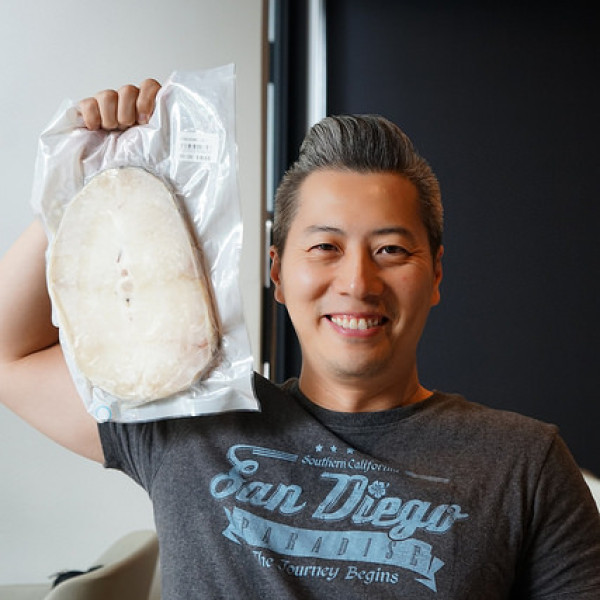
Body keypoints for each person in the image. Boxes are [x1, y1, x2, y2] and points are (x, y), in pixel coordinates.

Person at [1, 81, 599, 600]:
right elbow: (10, 356)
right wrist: (93, 175)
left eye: (390, 249)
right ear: (278, 274)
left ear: (435, 274)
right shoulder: (190, 423)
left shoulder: (525, 463)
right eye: (325, 247)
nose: (358, 282)